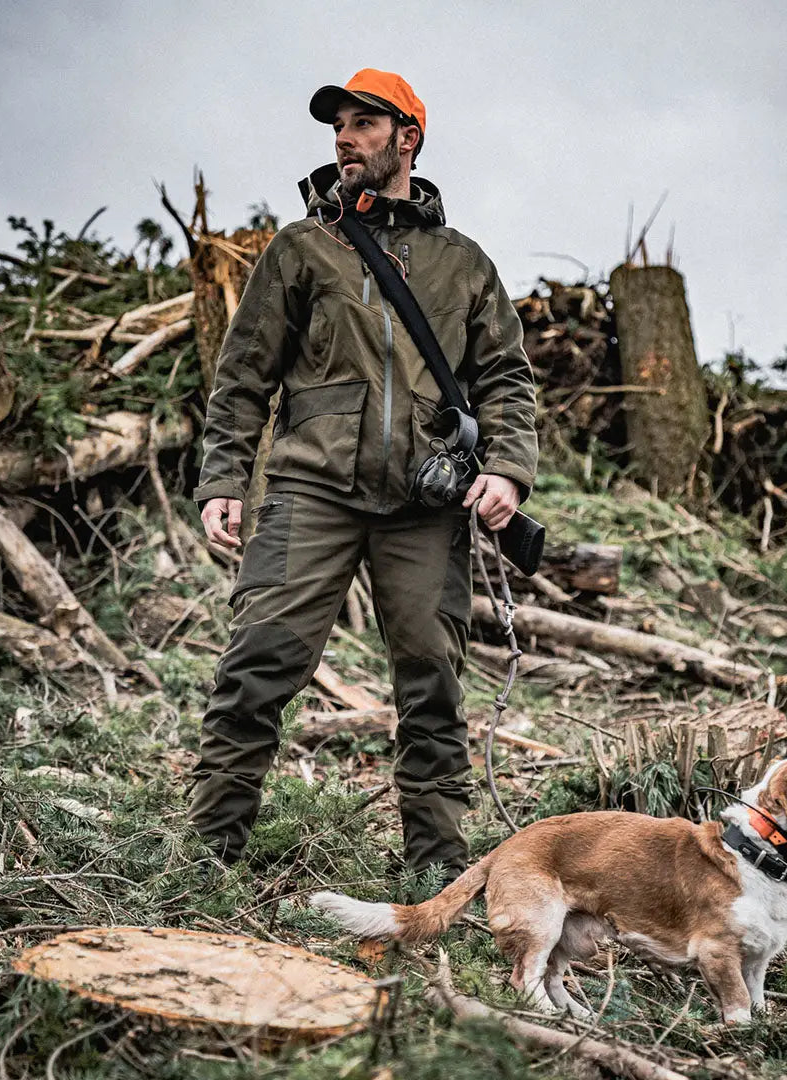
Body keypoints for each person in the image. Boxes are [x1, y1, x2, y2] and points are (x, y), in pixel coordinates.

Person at [187, 69, 539, 881]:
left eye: (363, 124)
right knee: (259, 662)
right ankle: (207, 861)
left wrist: (510, 473)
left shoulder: (464, 265)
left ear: (406, 139)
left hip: (426, 501)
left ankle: (437, 877)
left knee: (433, 686)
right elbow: (244, 374)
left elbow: (507, 383)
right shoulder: (302, 248)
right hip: (311, 490)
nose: (343, 138)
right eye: (337, 125)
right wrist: (224, 479)